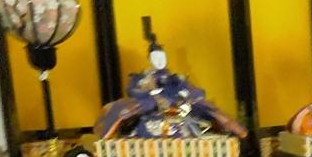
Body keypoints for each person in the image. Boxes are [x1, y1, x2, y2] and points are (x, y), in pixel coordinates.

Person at [95, 18, 247, 140]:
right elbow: (133, 90)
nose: (159, 61)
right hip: (150, 105)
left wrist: (185, 95)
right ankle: (111, 131)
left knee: (204, 106)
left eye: (162, 57)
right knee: (127, 109)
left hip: (175, 103)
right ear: (149, 59)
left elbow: (190, 90)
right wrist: (152, 92)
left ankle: (231, 127)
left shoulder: (175, 78)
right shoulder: (143, 77)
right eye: (155, 57)